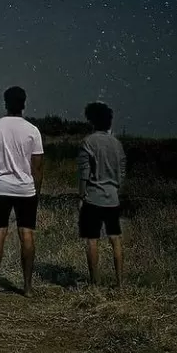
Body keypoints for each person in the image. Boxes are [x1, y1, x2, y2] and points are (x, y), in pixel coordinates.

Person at [0, 86, 44, 297]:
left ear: (5, 103)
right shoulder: (32, 131)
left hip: (0, 188)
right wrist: (37, 190)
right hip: (26, 189)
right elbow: (37, 166)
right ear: (24, 104)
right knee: (26, 234)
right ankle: (27, 287)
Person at [77, 101, 127, 287]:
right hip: (112, 198)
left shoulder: (87, 143)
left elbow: (84, 174)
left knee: (92, 240)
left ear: (92, 120)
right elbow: (121, 173)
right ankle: (120, 283)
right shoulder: (117, 144)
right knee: (115, 238)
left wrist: (81, 196)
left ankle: (94, 282)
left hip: (93, 198)